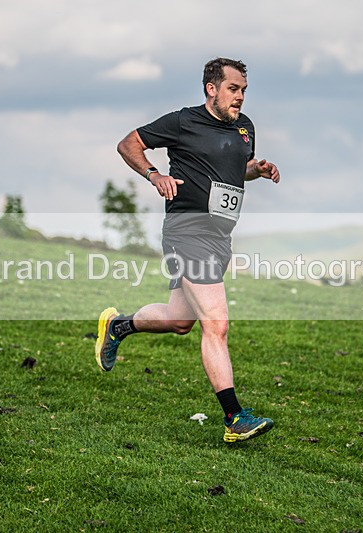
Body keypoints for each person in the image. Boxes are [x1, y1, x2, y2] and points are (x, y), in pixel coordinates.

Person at [96, 57, 281, 443]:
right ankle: (234, 417)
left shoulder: (245, 128)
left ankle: (118, 326)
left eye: (244, 90)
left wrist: (256, 170)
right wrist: (154, 175)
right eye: (233, 89)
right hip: (187, 230)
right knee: (216, 324)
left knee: (180, 321)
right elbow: (128, 144)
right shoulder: (183, 122)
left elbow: (236, 170)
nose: (240, 97)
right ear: (211, 89)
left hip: (219, 237)